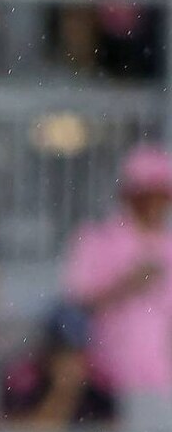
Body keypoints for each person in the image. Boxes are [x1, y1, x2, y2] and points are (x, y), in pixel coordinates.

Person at [63, 144, 172, 410]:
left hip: (163, 381)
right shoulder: (98, 238)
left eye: (161, 193)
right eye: (147, 193)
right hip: (109, 378)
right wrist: (126, 285)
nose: (155, 202)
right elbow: (76, 303)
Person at [1, 303, 114, 429]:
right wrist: (62, 393)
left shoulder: (98, 383)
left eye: (76, 353)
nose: (69, 362)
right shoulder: (24, 379)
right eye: (62, 353)